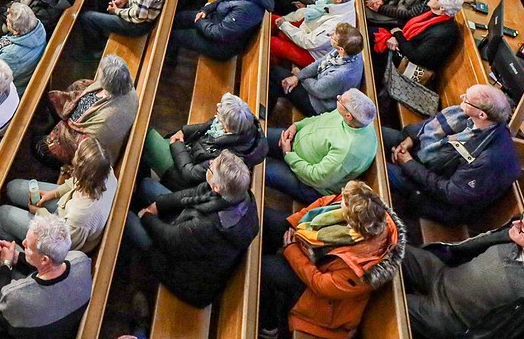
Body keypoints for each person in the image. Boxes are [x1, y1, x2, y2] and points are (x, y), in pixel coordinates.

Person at [400, 207, 524, 338]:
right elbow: (468, 248)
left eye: (523, 228)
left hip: (447, 316)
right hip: (442, 274)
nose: (514, 224)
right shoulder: (515, 239)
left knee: (392, 301)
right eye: (521, 220)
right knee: (392, 248)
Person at [259, 180, 406, 339]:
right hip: (311, 245)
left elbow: (320, 284)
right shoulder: (357, 203)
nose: (340, 200)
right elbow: (325, 204)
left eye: (343, 204)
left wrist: (291, 249)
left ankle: (269, 327)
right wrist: (297, 224)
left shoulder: (361, 268)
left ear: (352, 224)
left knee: (265, 269)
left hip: (321, 299)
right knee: (266, 220)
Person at [124, 151, 259, 308]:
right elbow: (194, 193)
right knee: (148, 185)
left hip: (185, 276)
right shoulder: (239, 195)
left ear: (216, 187)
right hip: (187, 233)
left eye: (211, 168)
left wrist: (147, 216)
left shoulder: (207, 227)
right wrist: (157, 206)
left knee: (126, 218)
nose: (209, 164)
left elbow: (168, 239)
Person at [385, 84, 523, 226]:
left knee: (381, 170)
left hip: (435, 196)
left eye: (467, 99)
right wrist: (410, 138)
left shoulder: (487, 158)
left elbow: (449, 192)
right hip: (424, 156)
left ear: (482, 114)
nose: (461, 98)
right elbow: (432, 124)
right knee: (376, 134)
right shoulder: (473, 116)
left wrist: (408, 163)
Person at [0, 211, 93, 339]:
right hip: (59, 324)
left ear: (44, 259)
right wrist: (18, 256)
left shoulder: (15, 297)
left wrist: (6, 265)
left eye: (29, 246)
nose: (23, 242)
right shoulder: (81, 260)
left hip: (19, 327)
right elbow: (51, 267)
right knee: (16, 251)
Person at [0, 134, 116, 252]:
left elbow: (63, 242)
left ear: (80, 169)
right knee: (13, 187)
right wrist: (53, 193)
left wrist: (39, 212)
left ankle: (20, 255)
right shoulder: (103, 170)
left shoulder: (81, 214)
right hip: (66, 207)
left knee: (1, 215)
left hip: (59, 235)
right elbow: (76, 182)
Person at [265, 88, 379, 203]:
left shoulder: (347, 150)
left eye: (340, 99)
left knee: (263, 170)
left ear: (348, 116)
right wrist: (297, 126)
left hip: (310, 183)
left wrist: (288, 155)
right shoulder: (351, 117)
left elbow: (317, 178)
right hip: (295, 142)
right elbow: (320, 118)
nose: (338, 97)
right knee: (258, 137)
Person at [142, 92, 267, 192]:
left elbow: (189, 174)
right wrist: (184, 131)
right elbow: (205, 127)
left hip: (183, 178)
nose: (218, 105)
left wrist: (178, 145)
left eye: (221, 108)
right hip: (188, 152)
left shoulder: (225, 159)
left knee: (144, 137)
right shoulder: (239, 125)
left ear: (227, 128)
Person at [34, 55, 138, 170]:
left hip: (89, 144)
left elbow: (86, 143)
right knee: (77, 86)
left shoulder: (104, 122)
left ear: (106, 83)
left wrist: (68, 122)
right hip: (97, 117)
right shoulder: (126, 85)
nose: (98, 72)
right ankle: (55, 117)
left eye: (101, 73)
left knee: (40, 146)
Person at [171, 0, 272, 61]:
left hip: (220, 45)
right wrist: (206, 10)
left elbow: (219, 34)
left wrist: (199, 21)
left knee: (176, 36)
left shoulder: (246, 10)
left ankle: (171, 59)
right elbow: (222, 1)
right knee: (179, 18)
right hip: (214, 21)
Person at [272, 23, 365, 117]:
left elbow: (316, 89)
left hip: (318, 105)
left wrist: (299, 75)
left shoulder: (342, 74)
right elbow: (320, 62)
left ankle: (265, 116)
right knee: (283, 80)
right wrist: (298, 76)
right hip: (318, 84)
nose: (331, 34)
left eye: (334, 37)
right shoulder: (349, 52)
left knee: (276, 74)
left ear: (341, 49)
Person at [272, 0, 360, 69]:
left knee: (273, 43)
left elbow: (309, 42)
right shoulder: (339, 3)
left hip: (314, 54)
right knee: (274, 21)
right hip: (307, 31)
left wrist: (285, 25)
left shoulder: (336, 25)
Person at [374, 0, 464, 72]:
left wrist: (397, 34)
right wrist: (396, 35)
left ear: (442, 7)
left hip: (403, 61)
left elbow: (415, 57)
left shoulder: (443, 33)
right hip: (400, 46)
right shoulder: (431, 12)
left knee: (368, 38)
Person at [0, 1, 48, 93]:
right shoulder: (37, 27)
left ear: (16, 32)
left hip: (9, 85)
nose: (6, 21)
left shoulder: (11, 55)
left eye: (8, 21)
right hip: (24, 61)